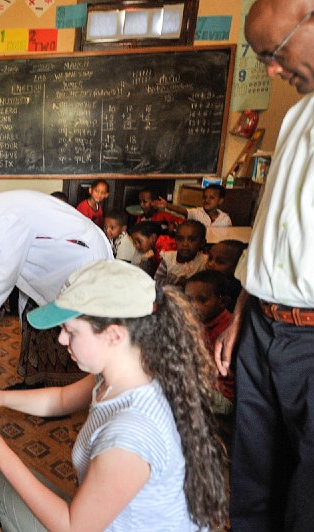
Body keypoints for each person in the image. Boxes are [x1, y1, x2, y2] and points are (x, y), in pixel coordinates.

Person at [0, 260, 227, 531]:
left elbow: (74, 527)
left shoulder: (131, 434)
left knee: (2, 481)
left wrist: (0, 454)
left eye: (71, 331)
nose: (62, 340)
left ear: (113, 335)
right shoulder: (127, 370)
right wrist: (0, 397)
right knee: (2, 484)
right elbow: (61, 399)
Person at [215, 3, 314, 529]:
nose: (273, 70)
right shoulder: (298, 116)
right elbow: (269, 232)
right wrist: (240, 314)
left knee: (306, 494)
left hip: (309, 339)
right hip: (262, 325)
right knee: (253, 476)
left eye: (274, 54)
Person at [0, 189, 112, 387]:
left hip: (79, 260)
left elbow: (4, 273)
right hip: (53, 269)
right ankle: (36, 383)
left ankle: (70, 391)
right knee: (34, 321)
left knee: (77, 330)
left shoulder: (2, 216)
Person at [185, 270, 234, 415]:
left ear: (223, 302)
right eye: (188, 300)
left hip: (222, 396)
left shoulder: (226, 331)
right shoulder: (202, 322)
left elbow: (207, 370)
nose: (192, 305)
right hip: (206, 384)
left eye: (202, 300)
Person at [154, 219, 208, 287]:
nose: (184, 244)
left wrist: (187, 283)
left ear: (202, 242)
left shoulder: (204, 262)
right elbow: (157, 281)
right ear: (175, 240)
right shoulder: (168, 258)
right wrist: (177, 281)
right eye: (180, 239)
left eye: (191, 240)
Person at [154, 184, 233, 227]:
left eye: (212, 198)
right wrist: (166, 205)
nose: (207, 200)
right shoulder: (197, 212)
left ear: (220, 201)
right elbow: (181, 210)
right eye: (205, 197)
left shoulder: (225, 219)